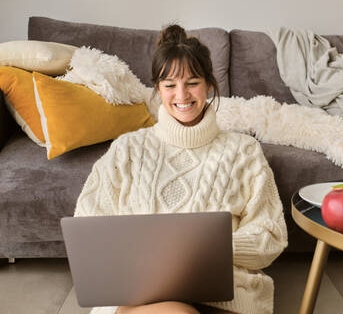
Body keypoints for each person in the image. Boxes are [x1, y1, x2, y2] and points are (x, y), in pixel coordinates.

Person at [74, 25, 288, 314]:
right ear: (158, 89)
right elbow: (88, 225)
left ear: (209, 85)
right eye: (170, 84)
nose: (182, 94)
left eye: (192, 82)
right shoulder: (127, 149)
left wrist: (204, 252)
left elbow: (271, 236)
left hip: (224, 298)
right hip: (139, 299)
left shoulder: (244, 151)